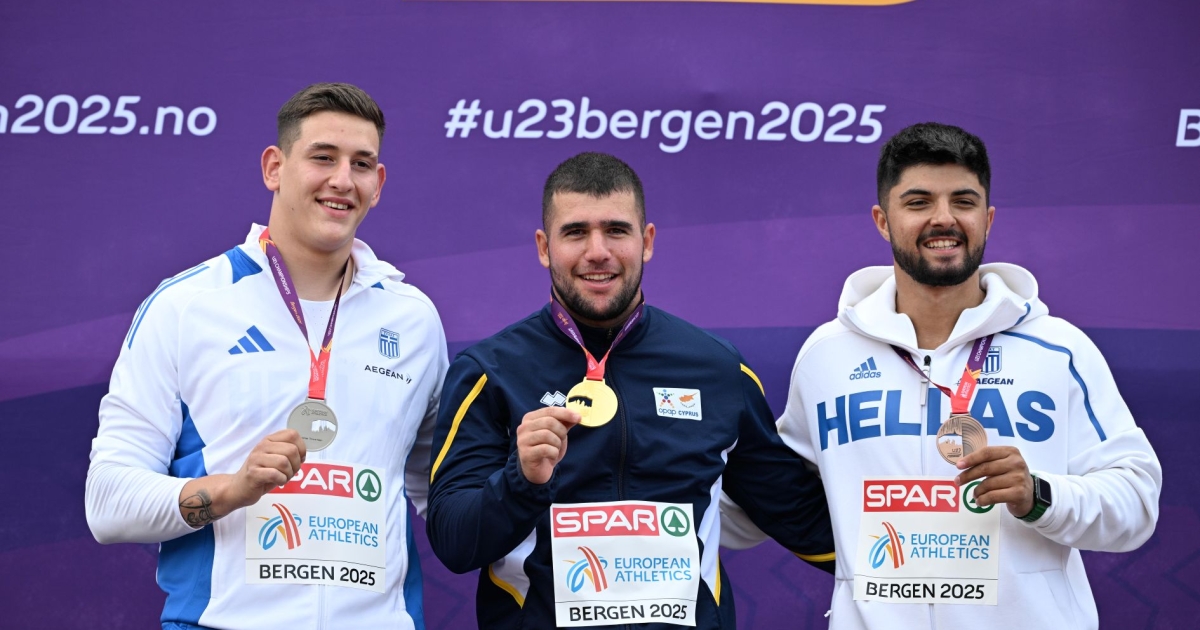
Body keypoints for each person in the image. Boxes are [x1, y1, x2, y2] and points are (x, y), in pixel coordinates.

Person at [737, 122, 1161, 629]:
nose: (944, 218)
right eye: (918, 202)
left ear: (988, 218)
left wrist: (1039, 495)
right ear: (882, 220)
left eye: (963, 201)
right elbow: (767, 495)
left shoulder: (1059, 349)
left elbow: (1136, 503)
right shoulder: (827, 356)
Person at [85, 83, 447, 630]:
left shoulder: (413, 318)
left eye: (361, 164)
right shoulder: (188, 305)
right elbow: (108, 503)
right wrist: (234, 489)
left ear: (378, 184)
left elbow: (440, 492)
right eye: (323, 157)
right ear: (274, 167)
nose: (342, 180)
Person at [425, 152, 835, 629]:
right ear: (544, 247)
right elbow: (454, 543)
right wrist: (522, 481)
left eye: (617, 230)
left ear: (647, 241)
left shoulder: (718, 370)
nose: (597, 251)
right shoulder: (490, 373)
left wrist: (913, 548)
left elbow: (798, 515)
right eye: (575, 232)